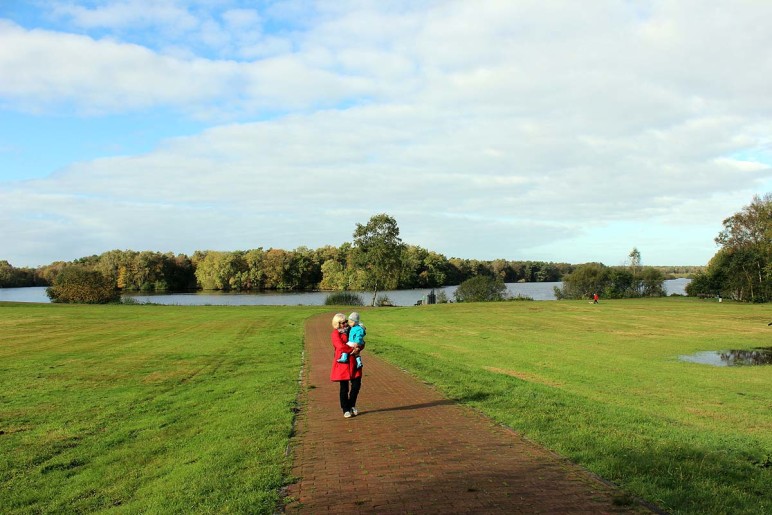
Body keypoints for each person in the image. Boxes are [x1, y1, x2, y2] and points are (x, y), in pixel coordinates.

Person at [330, 312, 363, 418]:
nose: (344, 324)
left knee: (356, 385)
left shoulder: (352, 329)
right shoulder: (335, 334)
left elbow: (361, 340)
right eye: (342, 323)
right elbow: (340, 346)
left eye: (345, 322)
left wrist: (359, 348)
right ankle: (345, 409)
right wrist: (352, 349)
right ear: (337, 324)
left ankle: (352, 405)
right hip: (342, 363)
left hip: (353, 362)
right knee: (344, 388)